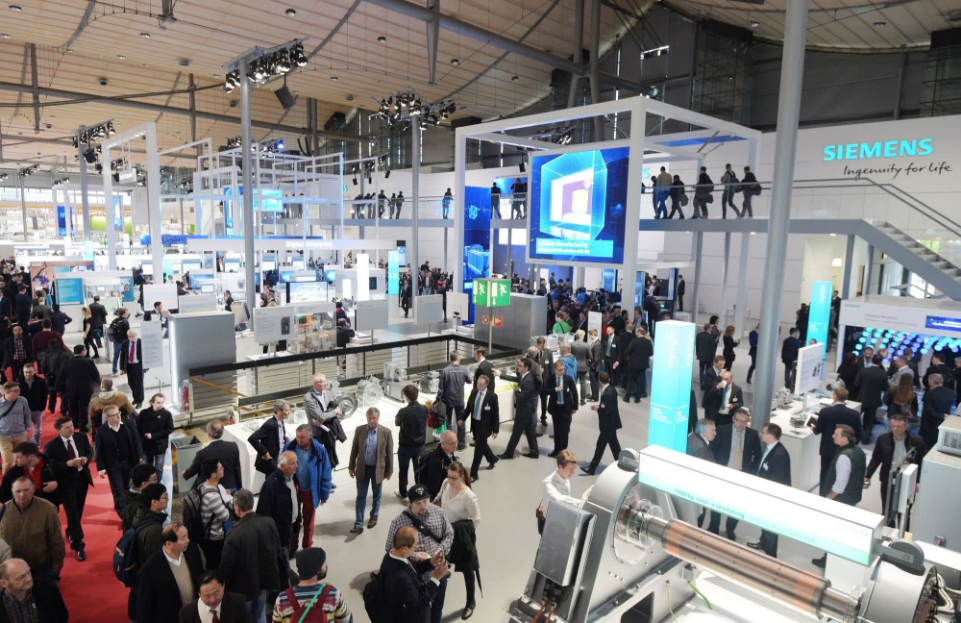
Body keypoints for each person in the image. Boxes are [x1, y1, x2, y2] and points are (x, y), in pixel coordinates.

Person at [384, 484, 454, 623]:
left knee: (437, 610)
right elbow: (390, 548)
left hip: (437, 574)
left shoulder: (439, 512)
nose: (422, 506)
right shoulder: (398, 522)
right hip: (414, 578)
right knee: (419, 614)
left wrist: (440, 550)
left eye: (425, 501)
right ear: (410, 503)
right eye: (418, 503)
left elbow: (449, 534)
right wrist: (414, 556)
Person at [221, 489, 284, 623]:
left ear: (237, 508)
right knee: (260, 615)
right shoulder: (269, 522)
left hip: (243, 588)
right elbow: (277, 550)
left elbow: (227, 567)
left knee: (245, 618)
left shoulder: (234, 534)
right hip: (263, 582)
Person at [432, 461, 481, 620]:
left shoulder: (469, 496)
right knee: (441, 560)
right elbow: (439, 497)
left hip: (461, 537)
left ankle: (471, 601)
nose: (450, 480)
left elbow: (476, 520)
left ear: (462, 477)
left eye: (454, 478)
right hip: (445, 532)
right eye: (449, 476)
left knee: (468, 569)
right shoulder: (446, 483)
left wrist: (461, 530)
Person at [812, 425, 866, 567]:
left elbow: (841, 482)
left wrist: (829, 497)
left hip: (841, 500)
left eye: (836, 434)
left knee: (833, 532)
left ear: (845, 438)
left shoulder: (843, 456)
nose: (832, 436)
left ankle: (828, 560)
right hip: (852, 497)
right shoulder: (859, 451)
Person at [706, 408, 761, 539]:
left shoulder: (753, 434)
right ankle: (714, 527)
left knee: (737, 505)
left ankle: (730, 528)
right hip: (723, 472)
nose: (742, 424)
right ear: (733, 419)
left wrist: (751, 473)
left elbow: (758, 455)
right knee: (717, 501)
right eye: (739, 421)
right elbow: (713, 449)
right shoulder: (722, 430)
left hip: (742, 475)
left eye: (745, 422)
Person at [42, 417, 92, 560]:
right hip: (65, 483)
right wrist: (67, 464)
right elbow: (48, 464)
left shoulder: (81, 437)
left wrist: (86, 459)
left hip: (82, 479)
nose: (71, 429)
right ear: (59, 430)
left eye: (71, 425)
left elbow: (89, 452)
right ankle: (78, 546)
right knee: (72, 513)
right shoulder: (52, 446)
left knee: (78, 511)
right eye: (67, 427)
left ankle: (71, 530)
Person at [136, 524, 205, 623]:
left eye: (187, 536)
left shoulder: (192, 550)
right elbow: (144, 607)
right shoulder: (150, 569)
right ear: (169, 544)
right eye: (183, 538)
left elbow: (201, 577)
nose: (188, 540)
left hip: (194, 615)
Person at [380, 526, 448, 623]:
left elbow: (413, 569)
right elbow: (418, 604)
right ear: (405, 548)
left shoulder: (393, 555)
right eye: (415, 545)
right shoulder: (399, 577)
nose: (417, 547)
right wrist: (435, 578)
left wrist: (431, 562)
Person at [0, 478, 64, 579]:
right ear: (12, 492)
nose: (22, 494)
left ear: (33, 490)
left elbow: (56, 537)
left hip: (39, 566)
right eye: (18, 491)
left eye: (26, 490)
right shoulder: (2, 510)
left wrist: (58, 560)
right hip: (11, 568)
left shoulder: (47, 508)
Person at [864, 412, 924, 516]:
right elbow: (876, 458)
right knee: (887, 510)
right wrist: (868, 475)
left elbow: (922, 463)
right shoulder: (883, 439)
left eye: (899, 426)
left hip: (907, 479)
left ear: (906, 426)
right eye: (893, 426)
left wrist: (918, 481)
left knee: (904, 512)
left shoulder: (916, 442)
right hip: (888, 478)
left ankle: (902, 525)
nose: (895, 429)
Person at [283, 425, 331, 551]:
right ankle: (292, 545)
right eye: (297, 437)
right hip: (295, 489)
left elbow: (326, 473)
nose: (299, 440)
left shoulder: (319, 450)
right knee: (293, 518)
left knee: (308, 520)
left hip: (311, 491)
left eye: (302, 437)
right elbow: (281, 466)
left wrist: (324, 494)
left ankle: (307, 546)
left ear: (310, 436)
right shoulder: (289, 447)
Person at [271, 547, 351, 623]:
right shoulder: (333, 594)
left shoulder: (282, 599)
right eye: (324, 562)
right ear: (318, 568)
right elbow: (345, 621)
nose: (326, 565)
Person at [746, 424, 791, 557]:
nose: (761, 434)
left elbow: (776, 481)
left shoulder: (779, 454)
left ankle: (770, 555)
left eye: (763, 432)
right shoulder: (770, 449)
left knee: (771, 526)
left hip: (772, 498)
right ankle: (763, 543)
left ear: (770, 436)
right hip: (764, 494)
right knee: (764, 522)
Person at [95, 405, 145, 520]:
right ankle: (125, 518)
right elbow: (99, 451)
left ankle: (129, 511)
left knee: (128, 489)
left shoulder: (129, 424)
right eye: (115, 415)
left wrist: (140, 456)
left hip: (129, 463)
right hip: (114, 466)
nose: (118, 416)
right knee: (118, 491)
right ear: (108, 418)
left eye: (119, 413)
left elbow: (136, 440)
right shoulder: (101, 431)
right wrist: (101, 468)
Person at [348, 407, 393, 534]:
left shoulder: (386, 432)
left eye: (374, 418)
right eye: (369, 418)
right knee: (360, 496)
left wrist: (389, 470)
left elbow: (389, 453)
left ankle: (374, 516)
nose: (372, 421)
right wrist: (351, 467)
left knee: (377, 495)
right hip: (362, 469)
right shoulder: (360, 430)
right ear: (366, 418)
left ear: (378, 418)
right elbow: (354, 450)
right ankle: (358, 523)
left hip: (377, 470)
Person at [812, 387, 862, 493]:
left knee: (825, 475)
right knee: (843, 474)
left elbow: (818, 430)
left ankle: (823, 495)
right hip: (846, 451)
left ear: (835, 397)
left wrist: (813, 428)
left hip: (827, 450)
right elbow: (859, 434)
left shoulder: (825, 412)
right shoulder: (854, 414)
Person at [256, 451, 301, 560]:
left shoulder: (293, 477)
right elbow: (263, 514)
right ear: (282, 466)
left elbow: (295, 501)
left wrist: (298, 520)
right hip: (278, 534)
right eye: (293, 463)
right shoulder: (271, 484)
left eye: (296, 462)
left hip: (289, 528)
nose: (296, 466)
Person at [0, 558, 68, 623]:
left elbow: (62, 616)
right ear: (4, 583)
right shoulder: (2, 603)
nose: (29, 579)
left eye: (28, 572)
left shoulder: (47, 588)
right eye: (21, 577)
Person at [183, 419, 243, 492]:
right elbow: (237, 469)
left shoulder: (202, 453)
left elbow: (192, 471)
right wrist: (239, 488)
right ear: (222, 432)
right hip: (230, 488)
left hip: (210, 489)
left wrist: (185, 474)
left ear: (208, 434)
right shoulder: (233, 446)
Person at [496, 358, 539, 460]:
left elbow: (522, 397)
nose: (518, 367)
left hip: (524, 412)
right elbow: (515, 378)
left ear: (526, 368)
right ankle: (534, 451)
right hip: (527, 411)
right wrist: (500, 375)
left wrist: (516, 392)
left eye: (520, 366)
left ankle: (509, 452)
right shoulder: (524, 377)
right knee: (530, 432)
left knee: (516, 432)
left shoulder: (528, 381)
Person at [196, 459, 233, 569]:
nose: (223, 469)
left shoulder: (202, 486)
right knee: (215, 565)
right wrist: (226, 501)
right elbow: (225, 516)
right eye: (220, 468)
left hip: (204, 533)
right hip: (214, 537)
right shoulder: (213, 497)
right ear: (213, 474)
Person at [582, 372, 622, 475]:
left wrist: (598, 409)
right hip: (612, 424)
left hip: (607, 425)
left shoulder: (607, 394)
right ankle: (621, 464)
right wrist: (600, 407)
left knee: (600, 446)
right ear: (609, 380)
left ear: (600, 381)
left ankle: (592, 468)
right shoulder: (612, 390)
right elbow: (609, 407)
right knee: (614, 445)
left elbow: (606, 411)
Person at [178, 569, 250, 623]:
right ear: (199, 594)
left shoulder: (237, 602)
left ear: (223, 586)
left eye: (216, 594)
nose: (212, 600)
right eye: (207, 596)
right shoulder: (187, 613)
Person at [463, 375, 498, 482]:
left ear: (486, 385)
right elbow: (469, 407)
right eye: (478, 383)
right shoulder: (474, 392)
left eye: (481, 384)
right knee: (482, 444)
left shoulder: (492, 397)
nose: (478, 385)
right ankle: (492, 458)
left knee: (478, 450)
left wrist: (495, 430)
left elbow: (495, 414)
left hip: (485, 426)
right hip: (475, 424)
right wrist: (462, 419)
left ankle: (474, 474)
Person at [395, 385, 428, 498]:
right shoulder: (424, 409)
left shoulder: (403, 412)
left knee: (403, 471)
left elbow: (397, 423)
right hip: (420, 446)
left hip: (405, 447)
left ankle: (403, 492)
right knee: (419, 470)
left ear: (407, 397)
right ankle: (419, 492)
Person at [58, 345, 100, 432]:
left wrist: (60, 388)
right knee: (84, 407)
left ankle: (74, 423)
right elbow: (95, 375)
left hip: (71, 389)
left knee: (72, 406)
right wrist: (97, 382)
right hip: (85, 389)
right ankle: (83, 425)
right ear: (82, 351)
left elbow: (61, 376)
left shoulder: (66, 362)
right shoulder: (89, 361)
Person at [436, 353, 471, 450]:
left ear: (450, 359)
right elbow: (469, 381)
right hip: (459, 399)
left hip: (448, 400)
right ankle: (461, 444)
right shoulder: (464, 369)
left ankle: (449, 443)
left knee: (448, 422)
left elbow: (441, 388)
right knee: (461, 421)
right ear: (458, 359)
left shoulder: (445, 370)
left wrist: (438, 398)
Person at [249, 400, 291, 475]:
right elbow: (252, 438)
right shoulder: (270, 424)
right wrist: (265, 452)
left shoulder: (281, 421)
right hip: (273, 461)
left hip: (281, 458)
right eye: (287, 410)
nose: (289, 412)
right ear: (279, 411)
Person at [545, 360, 577, 457]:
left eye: (563, 369)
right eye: (560, 370)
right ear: (555, 370)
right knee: (557, 430)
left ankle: (563, 453)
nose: (562, 371)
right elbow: (545, 391)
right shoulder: (551, 379)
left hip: (565, 408)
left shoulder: (568, 379)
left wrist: (575, 407)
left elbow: (574, 393)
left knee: (564, 432)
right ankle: (556, 450)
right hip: (555, 408)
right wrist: (555, 389)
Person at [854, 354, 889, 444]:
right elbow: (885, 388)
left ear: (872, 360)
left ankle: (854, 435)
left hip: (861, 398)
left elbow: (856, 384)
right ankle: (865, 437)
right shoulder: (883, 373)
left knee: (856, 417)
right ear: (881, 362)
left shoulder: (863, 371)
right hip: (874, 399)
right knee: (869, 420)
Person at [137, 393, 173, 478]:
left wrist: (153, 435)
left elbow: (170, 429)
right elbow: (138, 427)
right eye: (158, 402)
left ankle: (158, 482)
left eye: (162, 402)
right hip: (147, 445)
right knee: (148, 467)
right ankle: (149, 482)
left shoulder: (167, 414)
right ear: (152, 402)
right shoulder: (144, 413)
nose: (160, 405)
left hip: (160, 445)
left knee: (159, 467)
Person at [921, 373, 956, 452]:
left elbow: (928, 410)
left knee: (927, 448)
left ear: (932, 381)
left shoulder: (930, 393)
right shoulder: (952, 392)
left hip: (929, 426)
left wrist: (941, 415)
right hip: (943, 424)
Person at [0, 384, 30, 473]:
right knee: (8, 462)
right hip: (4, 437)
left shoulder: (22, 400)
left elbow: (27, 414)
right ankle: (6, 480)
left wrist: (27, 429)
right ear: (7, 392)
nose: (19, 392)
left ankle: (19, 479)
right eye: (16, 391)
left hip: (20, 435)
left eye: (18, 390)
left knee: (22, 460)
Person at [618, 327, 652, 403]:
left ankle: (627, 397)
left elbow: (627, 351)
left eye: (636, 332)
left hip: (633, 363)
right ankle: (637, 398)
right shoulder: (648, 342)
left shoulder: (634, 341)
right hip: (643, 364)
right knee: (640, 380)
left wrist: (628, 356)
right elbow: (650, 353)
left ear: (639, 332)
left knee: (630, 379)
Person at [123, 464, 158, 533]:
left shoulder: (130, 497)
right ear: (144, 484)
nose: (156, 482)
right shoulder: (140, 506)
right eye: (154, 479)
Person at [16, 363, 45, 447]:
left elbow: (44, 394)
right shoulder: (18, 382)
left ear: (34, 371)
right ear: (23, 372)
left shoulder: (40, 381)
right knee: (25, 430)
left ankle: (36, 445)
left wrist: (42, 406)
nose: (28, 374)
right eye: (26, 372)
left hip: (37, 409)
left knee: (38, 430)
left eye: (30, 372)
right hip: (23, 411)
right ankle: (28, 446)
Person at [423, 431, 457, 501]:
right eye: (452, 443)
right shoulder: (436, 462)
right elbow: (433, 487)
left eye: (456, 442)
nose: (455, 445)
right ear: (443, 443)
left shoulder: (449, 453)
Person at [120, 329, 145, 407]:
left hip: (139, 366)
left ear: (136, 335)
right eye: (129, 336)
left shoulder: (141, 342)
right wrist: (122, 368)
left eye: (132, 336)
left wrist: (145, 368)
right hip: (129, 366)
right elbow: (122, 356)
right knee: (131, 383)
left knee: (139, 384)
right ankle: (135, 398)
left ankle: (139, 400)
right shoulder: (125, 343)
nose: (131, 338)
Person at [108, 307, 132, 374]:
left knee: (116, 356)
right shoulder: (125, 322)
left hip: (116, 341)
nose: (128, 314)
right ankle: (124, 369)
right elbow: (128, 332)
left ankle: (114, 369)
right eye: (127, 313)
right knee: (125, 355)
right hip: (124, 341)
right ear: (123, 314)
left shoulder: (115, 320)